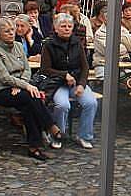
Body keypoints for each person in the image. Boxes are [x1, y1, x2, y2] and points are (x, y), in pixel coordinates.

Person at [0, 17, 64, 160]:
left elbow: (27, 69)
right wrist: (24, 86)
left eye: (12, 30)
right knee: (31, 96)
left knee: (29, 104)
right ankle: (50, 125)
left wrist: (20, 84)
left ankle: (34, 147)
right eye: (7, 31)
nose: (11, 33)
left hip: (19, 87)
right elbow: (4, 77)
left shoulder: (17, 45)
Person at [40, 13, 98, 149]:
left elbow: (85, 67)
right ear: (56, 28)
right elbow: (45, 69)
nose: (66, 29)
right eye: (63, 26)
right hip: (58, 83)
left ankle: (84, 136)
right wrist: (64, 74)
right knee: (62, 105)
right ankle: (58, 134)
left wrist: (82, 85)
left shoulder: (77, 43)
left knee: (91, 102)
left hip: (76, 81)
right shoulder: (49, 45)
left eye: (69, 26)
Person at [93, 5, 131, 78]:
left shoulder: (123, 30)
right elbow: (109, 51)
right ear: (104, 19)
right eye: (108, 17)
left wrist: (120, 36)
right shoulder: (99, 33)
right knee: (111, 78)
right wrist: (124, 46)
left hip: (124, 64)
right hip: (104, 65)